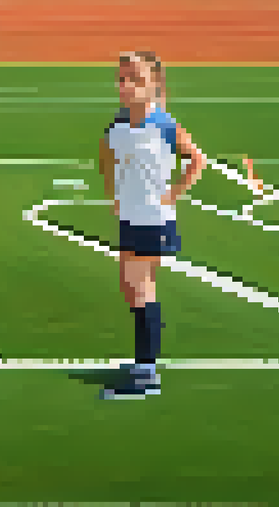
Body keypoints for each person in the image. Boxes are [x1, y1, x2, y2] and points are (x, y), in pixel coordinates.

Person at [98, 51, 206, 400]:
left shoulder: (163, 124)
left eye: (136, 80)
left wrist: (173, 193)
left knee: (140, 287)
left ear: (154, 85)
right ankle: (144, 362)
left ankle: (146, 372)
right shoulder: (117, 124)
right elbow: (105, 154)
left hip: (153, 220)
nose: (126, 86)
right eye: (122, 79)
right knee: (131, 287)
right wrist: (113, 194)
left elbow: (196, 159)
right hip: (130, 216)